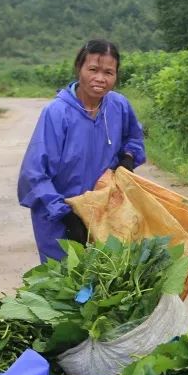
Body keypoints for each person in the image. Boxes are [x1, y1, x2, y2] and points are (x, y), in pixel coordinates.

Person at [18, 39, 146, 262]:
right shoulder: (57, 113)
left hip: (105, 214)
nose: (100, 78)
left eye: (108, 72)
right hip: (60, 219)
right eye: (93, 70)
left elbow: (134, 138)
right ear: (79, 68)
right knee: (66, 277)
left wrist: (128, 157)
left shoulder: (119, 106)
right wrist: (66, 215)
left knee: (106, 274)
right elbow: (34, 175)